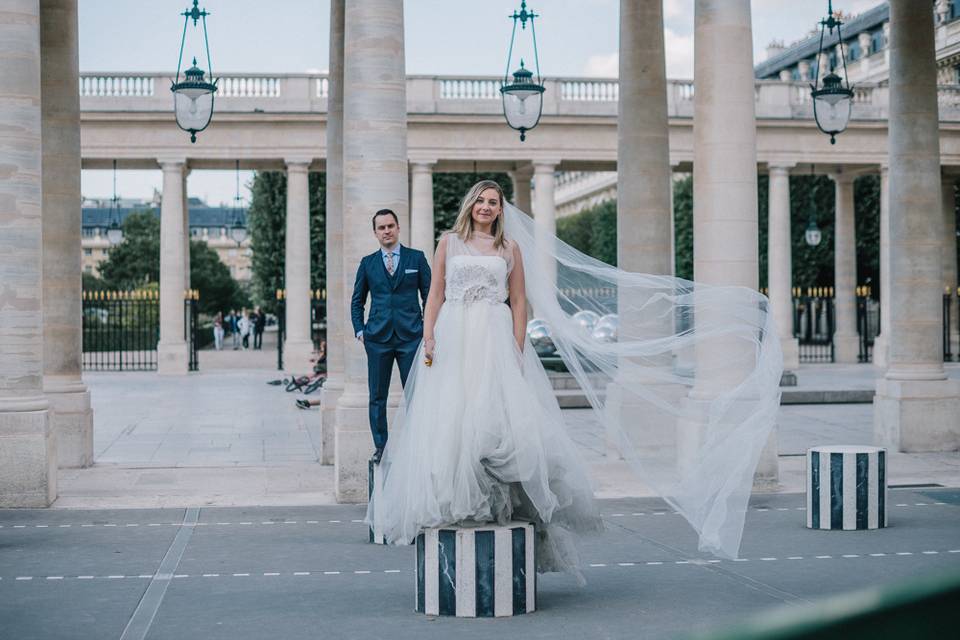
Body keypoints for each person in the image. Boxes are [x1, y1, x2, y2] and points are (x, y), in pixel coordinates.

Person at [368, 180, 783, 581]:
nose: (487, 208)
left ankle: (504, 500)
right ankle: (451, 497)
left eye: (494, 202)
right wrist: (429, 333)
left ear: (500, 209)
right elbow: (436, 293)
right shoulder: (447, 244)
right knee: (452, 414)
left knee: (497, 414)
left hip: (494, 335)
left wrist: (516, 348)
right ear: (470, 205)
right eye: (482, 201)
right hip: (457, 333)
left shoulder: (509, 247)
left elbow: (517, 303)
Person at [351, 209, 431, 464]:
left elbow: (430, 296)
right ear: (375, 233)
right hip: (377, 338)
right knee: (377, 395)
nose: (386, 231)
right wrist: (360, 330)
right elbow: (357, 301)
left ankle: (418, 442)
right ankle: (381, 447)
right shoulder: (367, 263)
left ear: (398, 228)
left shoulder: (416, 259)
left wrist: (427, 329)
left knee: (417, 394)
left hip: (411, 337)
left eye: (390, 226)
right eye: (381, 228)